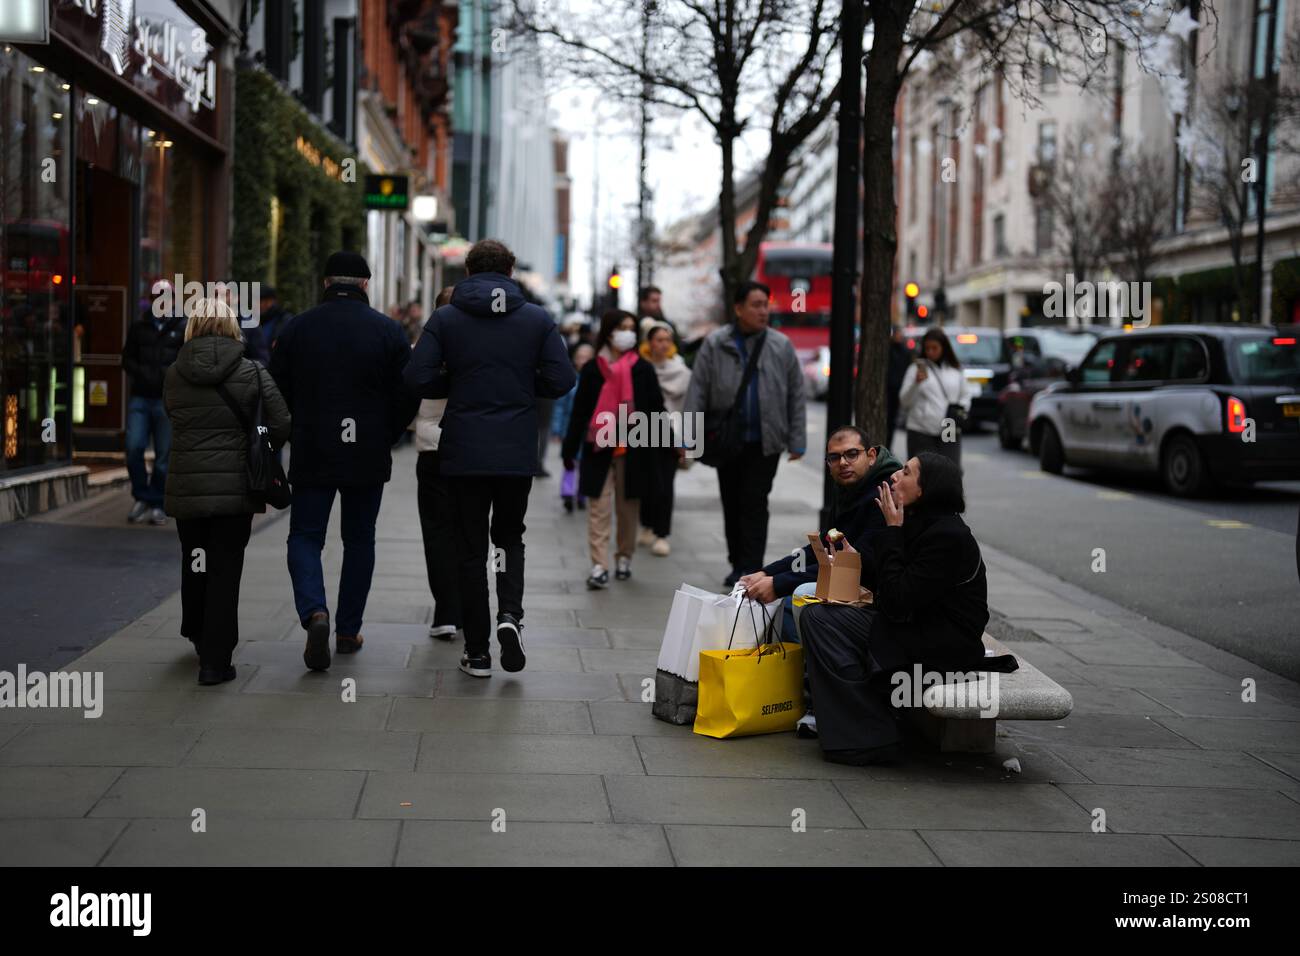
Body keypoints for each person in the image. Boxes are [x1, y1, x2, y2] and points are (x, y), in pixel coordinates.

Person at [403, 239, 576, 678]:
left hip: (463, 449)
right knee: (508, 538)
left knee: (469, 547)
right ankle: (509, 616)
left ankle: (477, 651)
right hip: (515, 450)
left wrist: (459, 382)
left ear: (467, 272)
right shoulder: (536, 319)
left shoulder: (446, 318)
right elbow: (561, 379)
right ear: (511, 271)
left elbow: (416, 376)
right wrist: (519, 383)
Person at [270, 251, 419, 672]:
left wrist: (296, 427)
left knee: (305, 536)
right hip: (366, 451)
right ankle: (348, 630)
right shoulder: (389, 332)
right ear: (366, 285)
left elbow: (275, 389)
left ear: (325, 283)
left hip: (313, 446)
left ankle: (315, 612)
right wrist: (385, 433)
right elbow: (408, 391)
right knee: (359, 539)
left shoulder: (297, 328)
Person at [797, 453, 995, 766]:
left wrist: (892, 532)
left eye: (906, 472)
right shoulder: (917, 520)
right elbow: (891, 578)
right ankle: (860, 724)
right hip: (913, 625)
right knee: (817, 613)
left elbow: (897, 597)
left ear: (925, 489)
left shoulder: (948, 535)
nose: (894, 477)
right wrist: (856, 559)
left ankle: (870, 734)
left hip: (941, 642)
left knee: (822, 621)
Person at [163, 298, 290, 685]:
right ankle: (216, 662)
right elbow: (282, 422)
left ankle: (198, 634)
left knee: (196, 560)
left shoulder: (174, 373)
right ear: (233, 327)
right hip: (236, 490)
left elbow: (173, 415)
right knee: (225, 568)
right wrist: (256, 440)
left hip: (188, 486)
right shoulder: (253, 371)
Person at [685, 280, 807, 587]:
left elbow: (796, 394)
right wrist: (690, 436)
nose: (763, 311)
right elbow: (697, 390)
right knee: (731, 501)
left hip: (765, 441)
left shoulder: (780, 345)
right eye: (756, 305)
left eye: (766, 304)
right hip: (727, 440)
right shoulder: (716, 343)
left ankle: (751, 565)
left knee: (755, 502)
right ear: (738, 309)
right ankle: (736, 561)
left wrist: (797, 439)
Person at [562, 310, 666, 589]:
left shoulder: (642, 368)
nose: (628, 333)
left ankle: (624, 556)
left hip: (634, 448)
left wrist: (668, 444)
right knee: (599, 506)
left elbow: (656, 409)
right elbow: (580, 411)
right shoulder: (593, 369)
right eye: (623, 327)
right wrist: (569, 450)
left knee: (627, 507)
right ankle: (599, 565)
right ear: (609, 331)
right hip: (598, 447)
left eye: (632, 328)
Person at [415, 286, 462, 642]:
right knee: (469, 531)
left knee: (437, 532)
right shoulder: (480, 347)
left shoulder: (424, 349)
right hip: (473, 451)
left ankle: (446, 610)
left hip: (432, 449)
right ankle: (464, 608)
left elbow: (408, 390)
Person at [122, 290, 188, 526]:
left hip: (166, 398)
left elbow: (187, 359)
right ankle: (142, 496)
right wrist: (142, 373)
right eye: (156, 297)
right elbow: (126, 358)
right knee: (133, 447)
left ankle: (158, 502)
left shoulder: (182, 326)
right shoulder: (139, 326)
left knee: (163, 455)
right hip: (140, 397)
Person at [637, 322, 691, 556]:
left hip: (672, 434)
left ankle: (662, 534)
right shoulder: (640, 369)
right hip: (642, 431)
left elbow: (689, 407)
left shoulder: (682, 373)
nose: (663, 344)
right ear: (649, 343)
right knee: (646, 482)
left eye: (667, 340)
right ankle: (646, 524)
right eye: (658, 339)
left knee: (665, 484)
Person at [898, 327, 971, 467]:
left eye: (935, 348)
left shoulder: (955, 369)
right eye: (927, 348)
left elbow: (965, 394)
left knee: (951, 470)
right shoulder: (916, 369)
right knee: (923, 474)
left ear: (944, 347)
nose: (930, 352)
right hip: (921, 429)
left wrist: (959, 410)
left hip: (949, 426)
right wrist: (916, 383)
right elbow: (904, 401)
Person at [553, 341, 595, 512]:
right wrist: (557, 430)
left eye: (587, 357)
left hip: (589, 431)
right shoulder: (570, 380)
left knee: (586, 464)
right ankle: (567, 493)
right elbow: (560, 408)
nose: (583, 360)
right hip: (570, 430)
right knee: (569, 462)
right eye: (580, 357)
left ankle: (582, 494)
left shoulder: (596, 381)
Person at [886, 325, 912, 444]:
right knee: (888, 419)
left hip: (898, 389)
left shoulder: (904, 351)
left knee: (892, 420)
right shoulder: (889, 349)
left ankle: (888, 445)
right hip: (888, 389)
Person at [257, 286, 293, 355]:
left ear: (273, 301)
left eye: (263, 301)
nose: (260, 305)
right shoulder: (252, 320)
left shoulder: (285, 319)